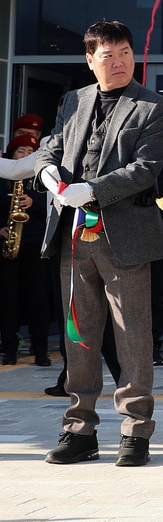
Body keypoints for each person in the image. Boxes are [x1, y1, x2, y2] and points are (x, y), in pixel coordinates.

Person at [33, 19, 163, 467]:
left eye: (125, 52)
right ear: (90, 60)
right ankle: (79, 429)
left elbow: (146, 168)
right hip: (73, 236)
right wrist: (47, 173)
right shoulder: (74, 100)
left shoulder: (152, 106)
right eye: (107, 55)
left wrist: (92, 190)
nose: (118, 62)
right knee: (80, 334)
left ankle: (135, 431)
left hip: (125, 238)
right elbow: (52, 148)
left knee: (133, 337)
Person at [0, 134, 50, 365]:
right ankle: (9, 349)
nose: (26, 157)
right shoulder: (3, 180)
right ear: (11, 156)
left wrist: (33, 203)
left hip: (35, 243)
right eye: (21, 151)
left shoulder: (42, 178)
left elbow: (52, 208)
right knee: (8, 299)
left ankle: (41, 351)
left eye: (31, 153)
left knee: (38, 298)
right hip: (8, 244)